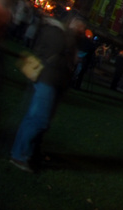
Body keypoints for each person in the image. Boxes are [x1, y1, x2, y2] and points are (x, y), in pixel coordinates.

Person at [9, 13, 83, 172]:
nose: (81, 29)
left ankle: (26, 151)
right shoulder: (57, 32)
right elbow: (59, 50)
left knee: (35, 118)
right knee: (39, 119)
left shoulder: (61, 33)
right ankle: (20, 154)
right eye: (79, 25)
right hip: (47, 79)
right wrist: (71, 38)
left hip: (52, 81)